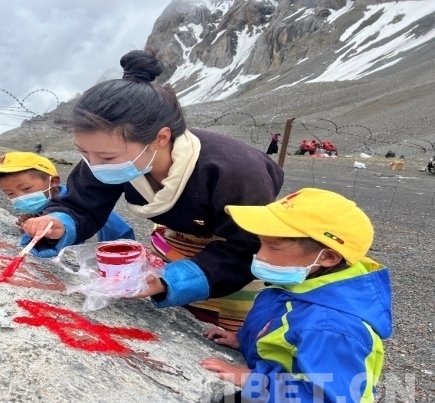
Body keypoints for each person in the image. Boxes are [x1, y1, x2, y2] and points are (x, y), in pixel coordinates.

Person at [21, 50, 284, 330]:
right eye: (83, 152)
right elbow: (81, 204)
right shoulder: (106, 154)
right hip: (173, 245)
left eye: (107, 157)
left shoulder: (236, 173)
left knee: (221, 333)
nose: (94, 165)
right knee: (178, 322)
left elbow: (247, 246)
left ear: (160, 138)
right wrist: (58, 223)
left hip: (235, 261)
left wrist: (172, 281)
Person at [200, 188, 391, 403]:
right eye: (261, 243)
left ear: (328, 257)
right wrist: (243, 340)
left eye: (273, 247)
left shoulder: (332, 327)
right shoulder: (299, 284)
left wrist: (255, 381)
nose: (260, 255)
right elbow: (283, 339)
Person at [0, 151, 135, 241]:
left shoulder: (83, 206)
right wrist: (32, 223)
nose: (20, 197)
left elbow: (86, 236)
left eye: (26, 188)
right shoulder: (43, 207)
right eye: (10, 193)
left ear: (53, 182)